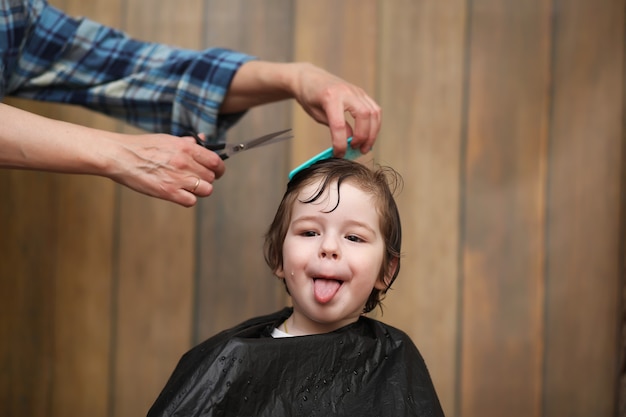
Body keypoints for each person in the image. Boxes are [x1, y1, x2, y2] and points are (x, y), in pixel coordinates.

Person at [0, 0, 381, 207]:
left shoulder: (15, 13)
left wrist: (296, 77)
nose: (329, 249)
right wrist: (121, 154)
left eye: (354, 238)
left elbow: (144, 72)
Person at [147, 158, 444, 417]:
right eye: (309, 232)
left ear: (386, 271)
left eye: (354, 238)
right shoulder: (227, 358)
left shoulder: (394, 360)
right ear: (278, 257)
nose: (328, 247)